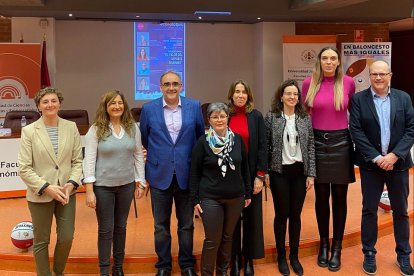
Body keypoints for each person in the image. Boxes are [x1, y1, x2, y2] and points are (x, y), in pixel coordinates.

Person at [349, 60, 414, 276]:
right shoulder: (358, 100)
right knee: (369, 210)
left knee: (401, 212)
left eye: (382, 74)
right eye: (374, 74)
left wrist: (394, 156)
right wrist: (377, 158)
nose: (378, 78)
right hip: (371, 166)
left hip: (398, 164)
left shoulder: (403, 98)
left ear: (390, 75)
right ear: (369, 76)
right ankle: (369, 253)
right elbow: (356, 130)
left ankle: (403, 255)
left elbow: (411, 129)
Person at [139, 70, 205, 276]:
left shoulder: (193, 106)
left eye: (175, 83)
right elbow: (144, 138)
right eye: (167, 84)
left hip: (187, 174)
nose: (171, 87)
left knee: (186, 225)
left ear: (181, 86)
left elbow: (200, 137)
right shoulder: (149, 109)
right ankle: (164, 265)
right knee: (160, 226)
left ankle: (186, 264)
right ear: (160, 87)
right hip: (159, 174)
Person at [18, 87, 83, 276]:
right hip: (40, 194)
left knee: (66, 237)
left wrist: (71, 183)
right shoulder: (29, 131)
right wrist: (46, 187)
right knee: (41, 241)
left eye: (53, 101)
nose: (50, 105)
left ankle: (57, 272)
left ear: (59, 103)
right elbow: (24, 167)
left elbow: (77, 161)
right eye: (45, 102)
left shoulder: (71, 127)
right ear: (38, 106)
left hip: (66, 192)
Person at [302, 46, 356, 272]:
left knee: (340, 198)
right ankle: (323, 243)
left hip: (341, 142)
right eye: (325, 58)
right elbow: (305, 112)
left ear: (338, 61)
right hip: (316, 142)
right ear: (319, 61)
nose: (329, 62)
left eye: (333, 58)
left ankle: (337, 247)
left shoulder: (348, 82)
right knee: (321, 197)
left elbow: (354, 110)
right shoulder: (308, 83)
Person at [83, 90, 146, 276]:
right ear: (106, 107)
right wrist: (89, 190)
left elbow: (138, 156)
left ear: (124, 105)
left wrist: (140, 181)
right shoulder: (95, 130)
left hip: (126, 185)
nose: (117, 106)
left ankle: (118, 267)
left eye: (120, 103)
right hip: (103, 187)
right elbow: (89, 160)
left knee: (121, 227)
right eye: (112, 103)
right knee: (106, 229)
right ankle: (104, 270)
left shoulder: (132, 127)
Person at [190, 102, 252, 276]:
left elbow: (244, 168)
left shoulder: (237, 139)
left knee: (228, 238)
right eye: (215, 116)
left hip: (235, 197)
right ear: (209, 120)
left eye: (222, 116)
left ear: (227, 118)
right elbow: (194, 172)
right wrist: (194, 200)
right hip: (210, 197)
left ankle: (223, 272)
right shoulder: (202, 142)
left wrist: (247, 192)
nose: (219, 120)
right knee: (212, 239)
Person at [265, 79, 316, 276]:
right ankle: (281, 255)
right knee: (281, 215)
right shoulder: (271, 117)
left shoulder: (304, 118)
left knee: (295, 216)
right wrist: (266, 173)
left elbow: (311, 145)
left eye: (295, 94)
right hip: (279, 173)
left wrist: (311, 173)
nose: (292, 97)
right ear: (281, 96)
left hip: (299, 173)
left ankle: (294, 256)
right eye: (288, 94)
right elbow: (266, 146)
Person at [226, 80, 267, 276]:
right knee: (232, 219)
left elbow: (262, 147)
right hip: (230, 176)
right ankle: (234, 259)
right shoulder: (225, 116)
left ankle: (248, 258)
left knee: (252, 219)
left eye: (244, 92)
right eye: (237, 92)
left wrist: (260, 175)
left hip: (252, 175)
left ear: (249, 95)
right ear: (231, 95)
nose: (240, 95)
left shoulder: (256, 116)